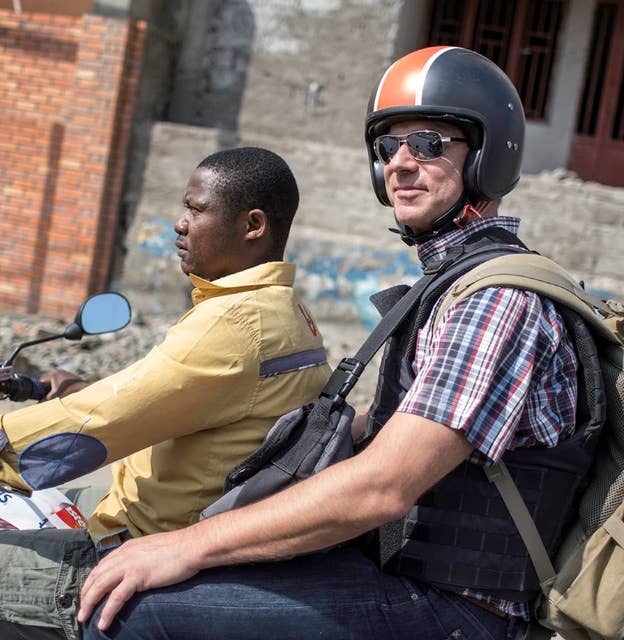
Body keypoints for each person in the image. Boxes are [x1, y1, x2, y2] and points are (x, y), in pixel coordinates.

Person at [78, 47, 581, 640]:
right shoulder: (449, 286)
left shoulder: (496, 302)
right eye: (387, 147)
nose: (400, 163)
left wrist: (189, 544)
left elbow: (383, 488)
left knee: (137, 614)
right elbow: (385, 431)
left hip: (457, 612)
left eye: (427, 143)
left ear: (489, 155)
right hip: (404, 574)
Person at [0, 146, 330, 638]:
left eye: (196, 210)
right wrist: (73, 387)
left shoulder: (234, 324)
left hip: (130, 552)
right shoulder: (283, 313)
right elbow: (165, 394)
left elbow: (92, 426)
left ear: (253, 225)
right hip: (172, 523)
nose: (179, 223)